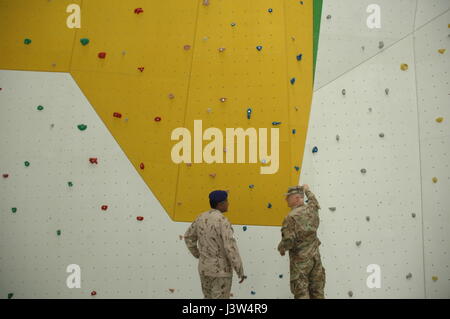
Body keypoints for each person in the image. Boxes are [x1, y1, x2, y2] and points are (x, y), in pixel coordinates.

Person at [184, 190, 246, 299]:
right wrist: (239, 269)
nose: (228, 203)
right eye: (227, 201)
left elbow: (189, 237)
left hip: (204, 269)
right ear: (220, 204)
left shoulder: (200, 217)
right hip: (221, 272)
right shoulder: (222, 221)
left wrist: (198, 255)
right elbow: (229, 247)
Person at [277, 184, 326, 299]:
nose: (286, 199)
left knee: (301, 293)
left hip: (301, 263)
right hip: (315, 259)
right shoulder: (312, 209)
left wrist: (281, 248)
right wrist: (307, 190)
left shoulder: (291, 217)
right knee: (318, 292)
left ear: (296, 198)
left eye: (288, 197)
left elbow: (288, 240)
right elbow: (314, 201)